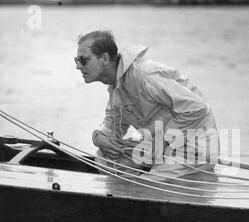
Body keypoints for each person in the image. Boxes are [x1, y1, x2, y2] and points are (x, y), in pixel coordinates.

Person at [75, 30, 219, 181]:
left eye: (83, 60)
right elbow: (112, 125)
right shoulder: (116, 86)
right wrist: (98, 137)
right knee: (104, 156)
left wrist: (163, 139)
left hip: (193, 145)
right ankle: (128, 192)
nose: (78, 66)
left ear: (104, 58)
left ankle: (143, 186)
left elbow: (197, 108)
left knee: (149, 184)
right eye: (76, 60)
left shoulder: (145, 76)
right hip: (157, 147)